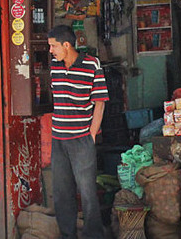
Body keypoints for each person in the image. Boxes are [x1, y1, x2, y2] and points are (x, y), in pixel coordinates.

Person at [47, 25, 109, 239]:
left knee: (87, 192)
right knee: (62, 193)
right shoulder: (55, 66)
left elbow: (99, 103)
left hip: (82, 139)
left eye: (53, 46)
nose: (51, 50)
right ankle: (68, 235)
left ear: (67, 44)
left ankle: (94, 235)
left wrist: (91, 134)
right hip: (58, 139)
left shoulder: (92, 64)